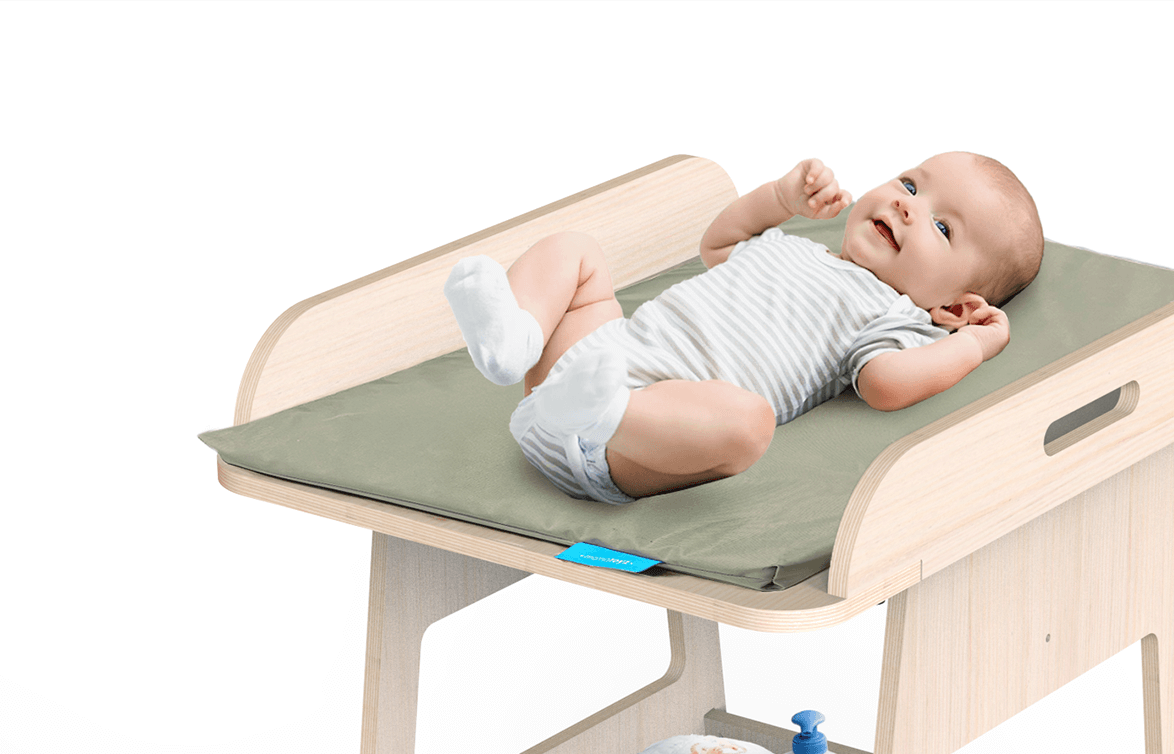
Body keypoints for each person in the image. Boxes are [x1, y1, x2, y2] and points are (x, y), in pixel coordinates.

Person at [443, 153, 1044, 504]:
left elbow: (886, 385)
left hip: (636, 442)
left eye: (942, 228)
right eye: (911, 185)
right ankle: (512, 341)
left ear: (956, 307)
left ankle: (606, 411)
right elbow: (718, 244)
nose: (909, 205)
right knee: (575, 250)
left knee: (749, 423)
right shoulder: (795, 246)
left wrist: (973, 345)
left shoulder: (895, 316)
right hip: (587, 364)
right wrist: (780, 197)